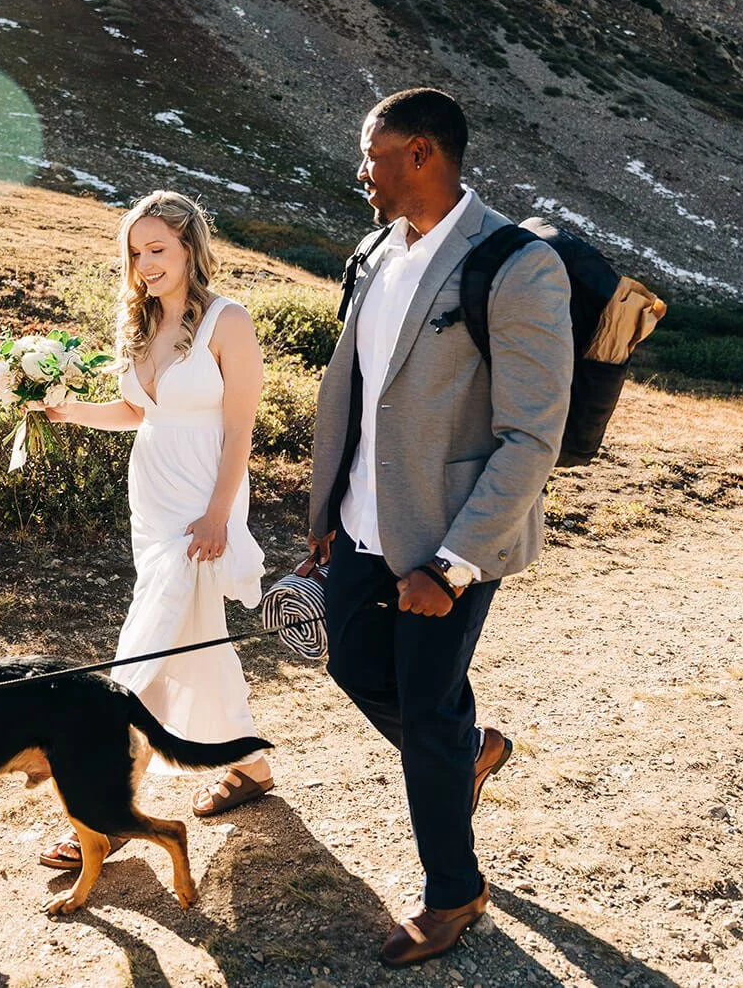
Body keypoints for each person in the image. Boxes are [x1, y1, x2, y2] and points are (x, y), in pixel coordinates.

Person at [307, 88, 572, 966]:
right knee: (346, 659)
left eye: (373, 154)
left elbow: (532, 435)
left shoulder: (516, 263)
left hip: (449, 541)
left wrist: (454, 563)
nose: (361, 171)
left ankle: (453, 890)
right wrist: (324, 517)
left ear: (422, 153)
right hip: (358, 526)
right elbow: (353, 394)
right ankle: (471, 750)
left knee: (424, 710)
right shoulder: (374, 250)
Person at [34, 190, 274, 870]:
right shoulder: (140, 326)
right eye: (137, 253)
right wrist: (70, 411)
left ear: (191, 246)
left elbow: (237, 428)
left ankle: (103, 815)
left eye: (158, 249)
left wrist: (220, 511)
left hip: (205, 497)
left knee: (144, 647)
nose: (146, 264)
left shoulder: (229, 321)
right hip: (155, 499)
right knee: (192, 637)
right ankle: (251, 764)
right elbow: (139, 413)